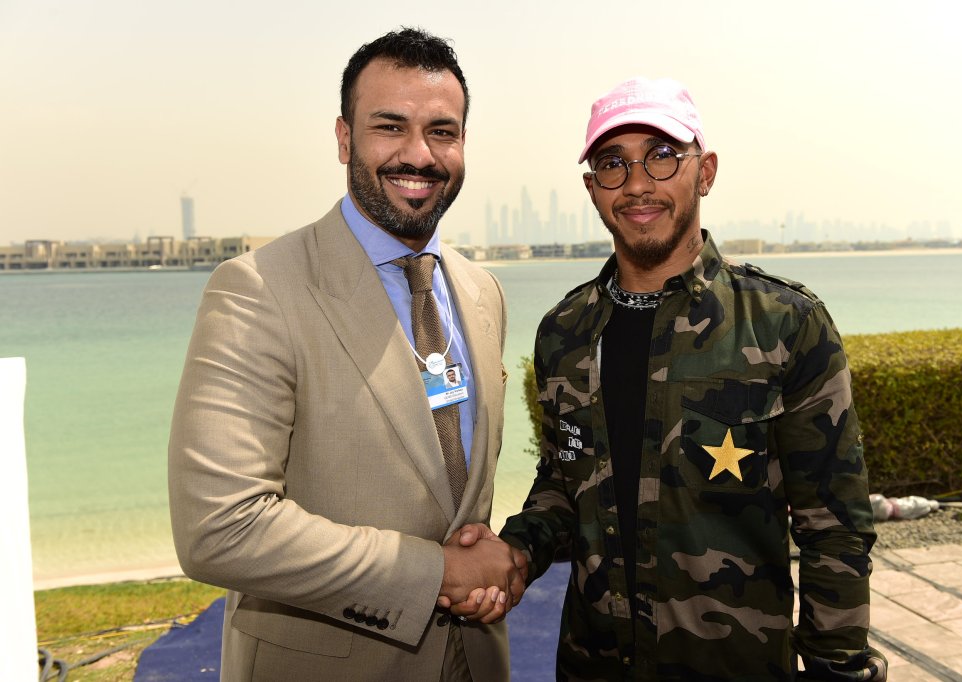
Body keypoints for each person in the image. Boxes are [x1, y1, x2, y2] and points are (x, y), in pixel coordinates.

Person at [464, 77, 886, 680]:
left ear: (705, 171)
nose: (637, 183)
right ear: (592, 189)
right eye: (613, 164)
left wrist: (836, 668)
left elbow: (836, 527)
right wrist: (514, 553)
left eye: (662, 156)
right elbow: (563, 481)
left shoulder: (785, 323)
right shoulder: (564, 331)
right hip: (592, 665)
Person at [168, 28, 524, 681]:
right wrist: (437, 573)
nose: (419, 154)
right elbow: (219, 526)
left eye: (442, 131)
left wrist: (489, 568)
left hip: (474, 660)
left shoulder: (482, 293)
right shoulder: (257, 290)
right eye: (390, 127)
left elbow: (458, 500)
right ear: (343, 138)